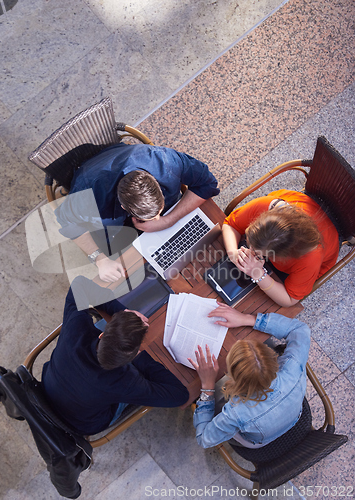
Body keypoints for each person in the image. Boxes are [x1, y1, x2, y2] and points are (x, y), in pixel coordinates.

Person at [42, 276, 189, 436]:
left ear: (102, 335)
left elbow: (79, 284)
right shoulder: (125, 382)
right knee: (132, 394)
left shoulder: (75, 329)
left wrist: (122, 314)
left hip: (48, 390)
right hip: (82, 423)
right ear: (131, 358)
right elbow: (179, 395)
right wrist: (141, 359)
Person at [54, 143, 220, 282]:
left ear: (156, 185)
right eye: (150, 218)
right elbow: (66, 222)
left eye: (158, 211)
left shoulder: (165, 161)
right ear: (125, 208)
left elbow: (208, 184)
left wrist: (168, 220)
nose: (156, 219)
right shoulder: (87, 197)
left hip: (165, 213)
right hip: (112, 224)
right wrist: (100, 259)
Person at [188, 303, 310, 449]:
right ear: (271, 358)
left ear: (234, 377)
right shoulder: (293, 365)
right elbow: (301, 329)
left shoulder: (235, 414)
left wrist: (207, 387)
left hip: (257, 441)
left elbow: (204, 439)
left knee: (210, 397)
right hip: (294, 414)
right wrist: (248, 319)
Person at [222, 189, 339, 306]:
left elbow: (289, 299)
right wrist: (233, 253)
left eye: (259, 252)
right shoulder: (265, 205)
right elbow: (231, 225)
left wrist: (257, 274)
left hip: (321, 254)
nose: (251, 251)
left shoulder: (310, 259)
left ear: (282, 257)